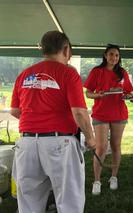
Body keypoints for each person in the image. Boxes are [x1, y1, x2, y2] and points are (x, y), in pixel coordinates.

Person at [10, 30, 96, 213]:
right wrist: (90, 137)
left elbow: (16, 111)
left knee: (28, 203)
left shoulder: (24, 74)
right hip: (60, 143)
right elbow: (80, 113)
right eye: (69, 55)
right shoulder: (68, 73)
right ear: (66, 50)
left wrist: (37, 119)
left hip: (26, 144)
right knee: (69, 200)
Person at [84, 44, 133, 193]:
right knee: (101, 148)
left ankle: (114, 177)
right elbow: (88, 93)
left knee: (116, 146)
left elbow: (129, 92)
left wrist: (128, 96)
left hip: (119, 113)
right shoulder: (96, 71)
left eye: (117, 55)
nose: (114, 58)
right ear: (105, 55)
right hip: (101, 114)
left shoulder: (123, 72)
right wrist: (98, 95)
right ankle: (97, 181)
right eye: (111, 54)